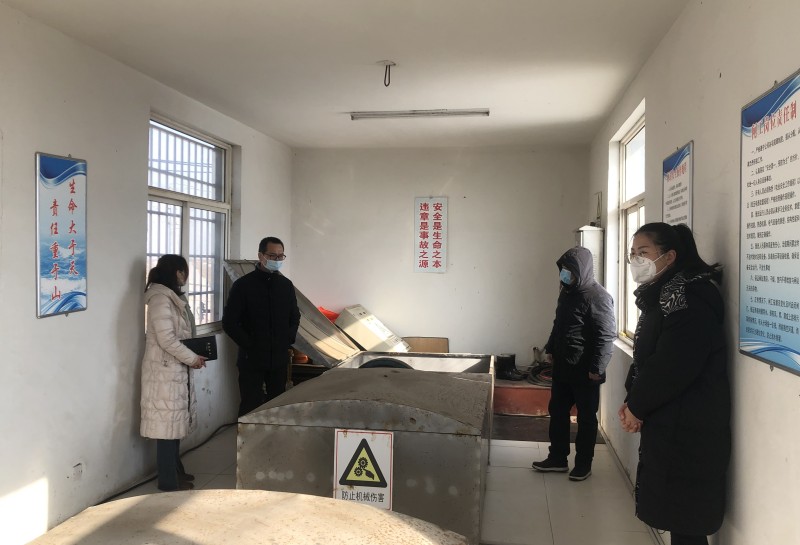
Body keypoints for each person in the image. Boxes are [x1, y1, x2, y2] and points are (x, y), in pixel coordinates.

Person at [619, 223, 730, 545]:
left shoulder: (687, 298)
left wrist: (637, 406)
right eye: (632, 254)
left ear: (669, 256)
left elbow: (672, 365)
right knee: (679, 514)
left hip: (689, 425)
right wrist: (633, 400)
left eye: (643, 253)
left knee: (685, 516)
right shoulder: (667, 293)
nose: (635, 260)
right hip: (671, 419)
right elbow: (648, 357)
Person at [532, 246, 616, 481]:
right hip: (563, 368)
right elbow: (558, 324)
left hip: (586, 372)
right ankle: (557, 458)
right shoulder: (566, 292)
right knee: (557, 412)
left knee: (586, 419)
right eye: (563, 269)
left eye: (570, 270)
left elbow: (606, 336)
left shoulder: (598, 297)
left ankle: (583, 464)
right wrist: (551, 348)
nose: (565, 274)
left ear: (583, 270)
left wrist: (597, 368)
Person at [140, 254, 207, 491]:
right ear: (178, 272)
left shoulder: (171, 297)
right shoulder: (160, 298)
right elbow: (167, 339)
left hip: (174, 370)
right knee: (166, 428)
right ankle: (168, 482)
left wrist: (194, 356)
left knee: (175, 424)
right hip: (164, 373)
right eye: (184, 272)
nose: (185, 277)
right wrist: (192, 358)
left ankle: (176, 473)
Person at [223, 236, 301, 416]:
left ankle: (274, 435)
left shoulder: (285, 285)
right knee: (250, 405)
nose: (277, 260)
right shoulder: (243, 286)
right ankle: (247, 436)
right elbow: (229, 322)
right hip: (252, 359)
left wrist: (287, 339)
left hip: (278, 359)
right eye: (272, 256)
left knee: (277, 406)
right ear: (261, 256)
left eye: (280, 256)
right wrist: (250, 345)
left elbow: (294, 316)